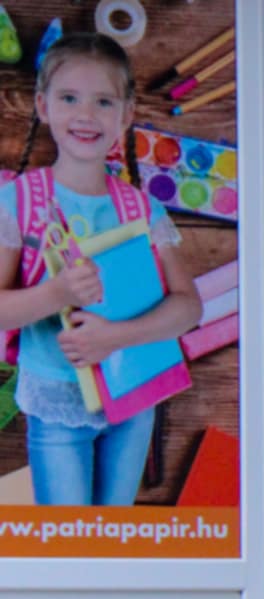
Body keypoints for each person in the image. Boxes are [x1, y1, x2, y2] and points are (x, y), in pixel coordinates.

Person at [0, 34, 200, 507]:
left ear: (127, 114)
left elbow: (189, 307)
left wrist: (115, 336)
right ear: (43, 106)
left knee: (116, 541)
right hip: (56, 401)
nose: (86, 115)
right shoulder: (19, 201)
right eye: (69, 98)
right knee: (72, 545)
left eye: (103, 101)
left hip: (133, 399)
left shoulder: (141, 208)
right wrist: (57, 293)